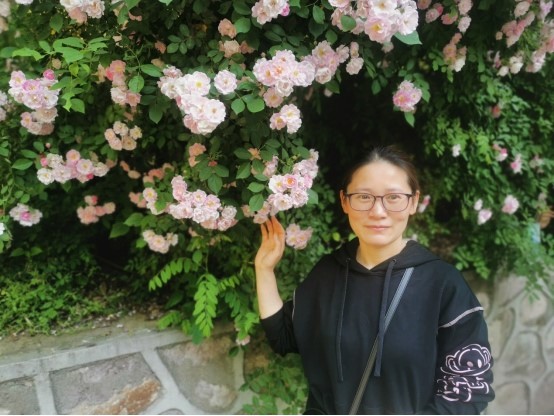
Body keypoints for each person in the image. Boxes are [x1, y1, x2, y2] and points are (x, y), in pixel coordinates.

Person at [255, 145, 495, 414]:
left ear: (413, 202)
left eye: (393, 197)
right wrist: (264, 270)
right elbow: (284, 337)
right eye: (363, 197)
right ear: (345, 201)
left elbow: (468, 391)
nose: (378, 211)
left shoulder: (442, 285)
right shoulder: (328, 273)